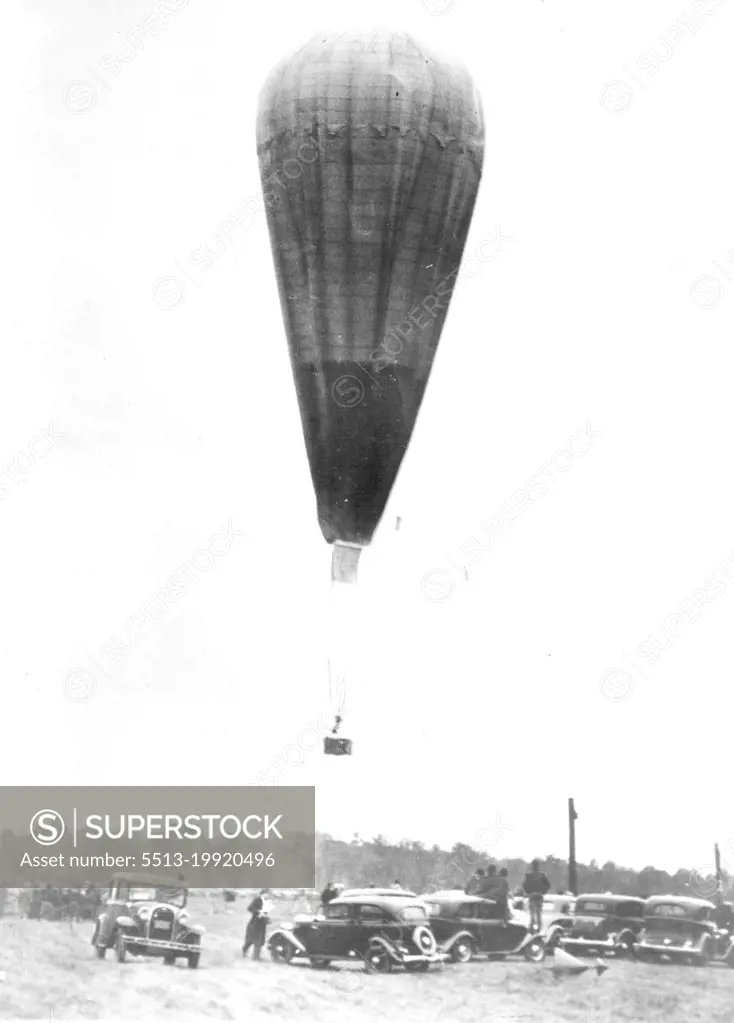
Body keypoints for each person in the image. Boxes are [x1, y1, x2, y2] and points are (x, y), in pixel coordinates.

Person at [243, 889, 272, 960]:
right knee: (249, 940)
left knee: (259, 941)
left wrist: (267, 918)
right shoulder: (257, 900)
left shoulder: (266, 902)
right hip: (254, 923)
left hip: (262, 924)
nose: (267, 895)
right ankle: (244, 951)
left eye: (268, 894)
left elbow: (266, 912)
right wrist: (258, 911)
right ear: (262, 894)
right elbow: (249, 908)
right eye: (266, 894)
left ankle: (256, 957)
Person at [523, 859, 551, 933]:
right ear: (538, 866)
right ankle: (539, 928)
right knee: (538, 913)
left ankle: (532, 926)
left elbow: (525, 886)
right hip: (539, 895)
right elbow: (548, 885)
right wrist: (542, 892)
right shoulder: (542, 875)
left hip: (532, 896)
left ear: (532, 866)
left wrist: (529, 892)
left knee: (532, 912)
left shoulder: (528, 875)